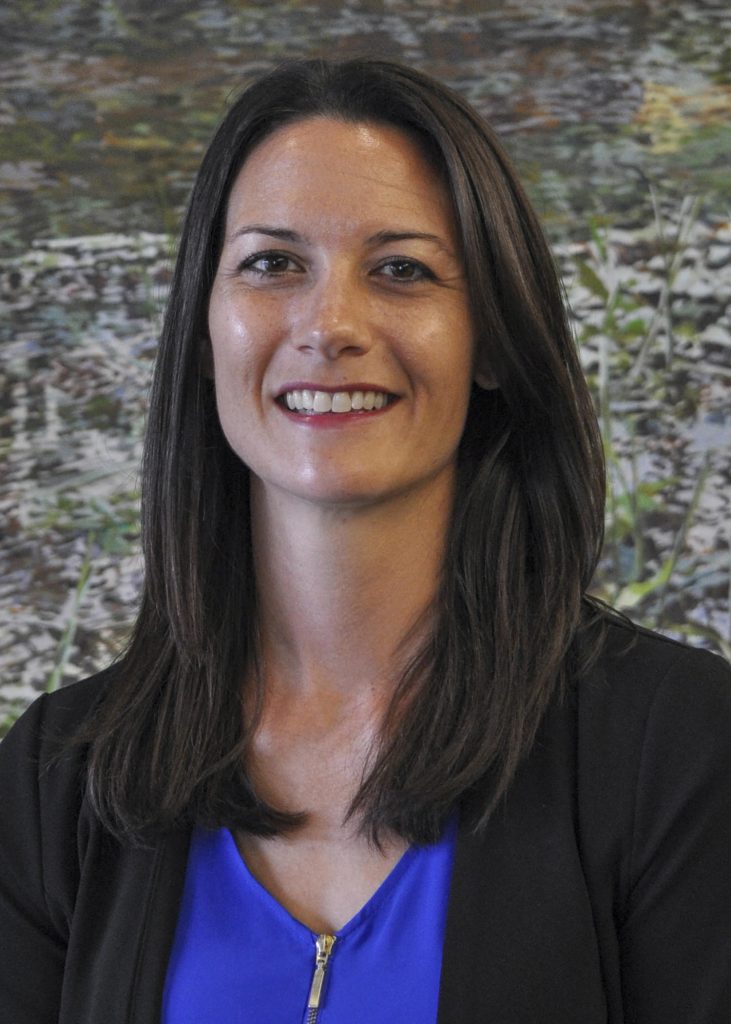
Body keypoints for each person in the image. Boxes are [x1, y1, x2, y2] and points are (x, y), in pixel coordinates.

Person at [1, 57, 730, 1024]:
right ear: (205, 326)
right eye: (271, 263)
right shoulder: (57, 774)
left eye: (401, 270)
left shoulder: (680, 748)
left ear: (495, 342)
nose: (329, 323)